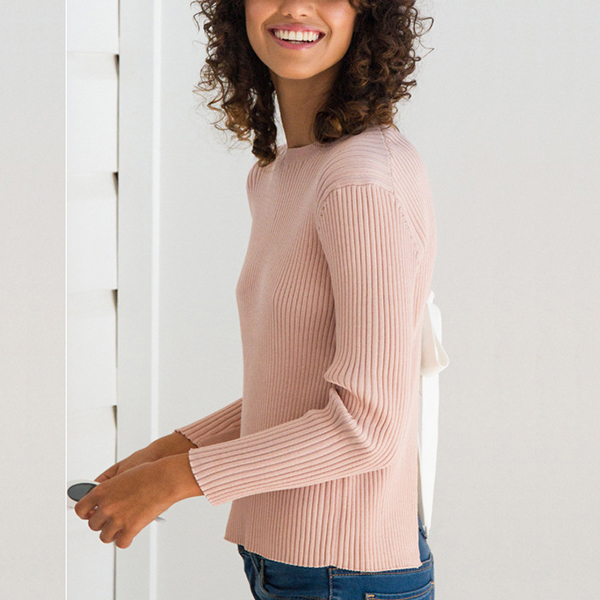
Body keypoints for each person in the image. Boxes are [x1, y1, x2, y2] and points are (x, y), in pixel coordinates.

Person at [74, 0, 437, 597]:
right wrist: (170, 451)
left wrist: (174, 479)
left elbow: (368, 426)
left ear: (368, 14)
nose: (296, 6)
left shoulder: (361, 180)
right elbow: (300, 387)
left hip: (344, 575)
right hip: (290, 564)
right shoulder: (282, 172)